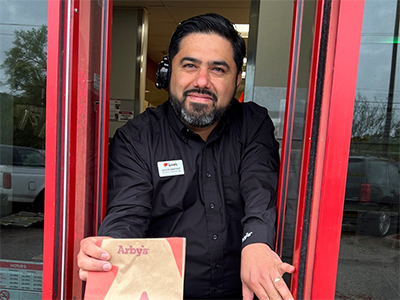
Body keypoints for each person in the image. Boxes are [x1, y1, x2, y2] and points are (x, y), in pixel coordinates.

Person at [77, 13, 295, 300]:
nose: (202, 81)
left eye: (218, 70)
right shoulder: (137, 137)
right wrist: (109, 250)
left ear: (237, 80)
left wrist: (256, 243)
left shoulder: (253, 123)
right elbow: (128, 211)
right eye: (190, 65)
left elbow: (259, 187)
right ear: (168, 73)